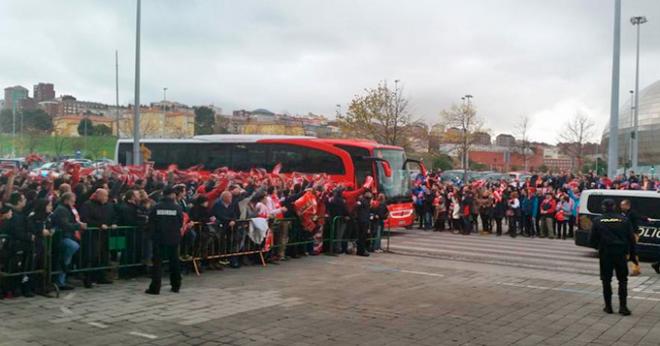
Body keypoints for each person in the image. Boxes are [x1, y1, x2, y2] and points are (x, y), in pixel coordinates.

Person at [589, 198, 635, 316]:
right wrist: (632, 256)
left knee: (606, 280)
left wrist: (600, 246)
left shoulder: (598, 220)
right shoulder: (624, 220)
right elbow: (631, 239)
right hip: (620, 253)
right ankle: (623, 307)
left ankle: (608, 307)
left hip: (606, 253)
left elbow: (591, 240)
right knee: (623, 281)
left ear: (603, 207)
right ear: (615, 207)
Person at [145, 187, 184, 295]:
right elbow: (181, 222)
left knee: (157, 264)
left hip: (159, 238)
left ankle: (155, 288)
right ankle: (176, 286)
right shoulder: (177, 208)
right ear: (172, 195)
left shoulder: (156, 207)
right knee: (174, 262)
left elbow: (151, 222)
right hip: (173, 238)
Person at [51, 192, 86, 291]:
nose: (73, 203)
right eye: (72, 201)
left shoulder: (66, 209)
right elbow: (65, 225)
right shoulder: (62, 210)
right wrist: (78, 226)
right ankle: (60, 281)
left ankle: (62, 279)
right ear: (66, 200)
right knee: (68, 253)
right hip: (62, 237)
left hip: (67, 236)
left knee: (67, 258)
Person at [355, 191, 373, 256]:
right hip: (363, 221)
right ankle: (361, 251)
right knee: (362, 237)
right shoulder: (365, 202)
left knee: (360, 236)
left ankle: (359, 250)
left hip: (361, 220)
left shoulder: (361, 201)